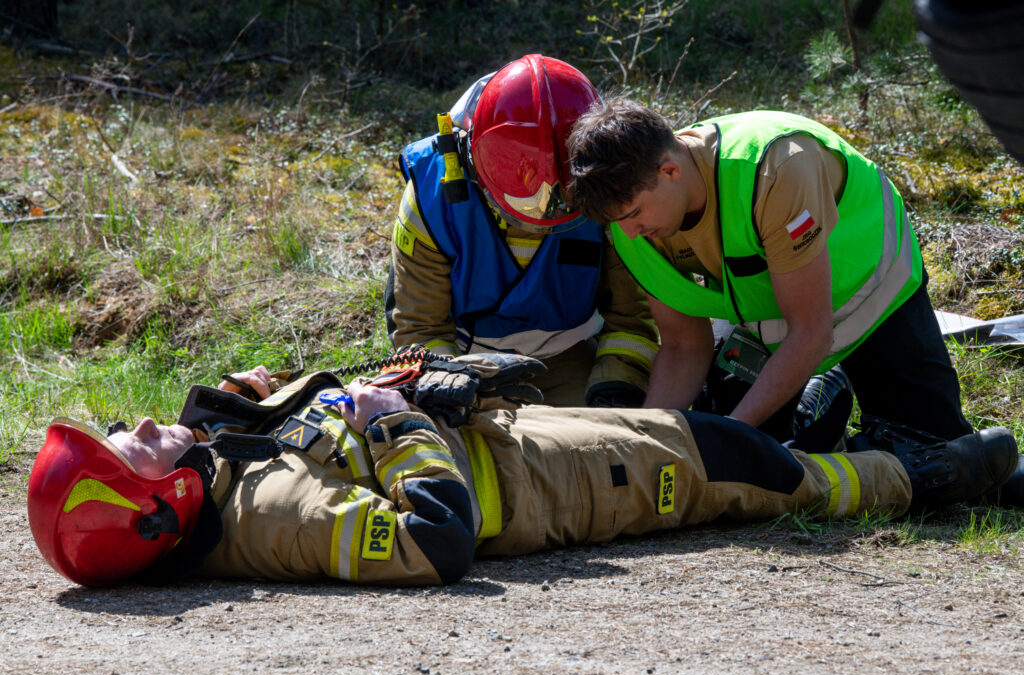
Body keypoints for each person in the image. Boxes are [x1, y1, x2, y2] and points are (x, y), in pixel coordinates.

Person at [27, 354, 1017, 588]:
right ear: (159, 503)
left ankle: (843, 449)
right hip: (554, 490)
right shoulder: (275, 512)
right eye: (134, 445)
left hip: (518, 442)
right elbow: (434, 537)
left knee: (711, 431)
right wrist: (402, 421)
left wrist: (250, 400)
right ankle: (921, 480)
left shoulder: (231, 472)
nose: (147, 420)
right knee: (738, 457)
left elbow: (317, 427)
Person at [565, 98, 975, 451]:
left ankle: (836, 390)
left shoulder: (776, 168)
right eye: (620, 222)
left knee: (934, 450)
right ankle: (819, 398)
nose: (631, 232)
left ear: (670, 171)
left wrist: (734, 434)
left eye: (635, 213)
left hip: (871, 296)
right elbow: (681, 345)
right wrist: (647, 441)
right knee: (742, 444)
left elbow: (811, 333)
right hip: (770, 316)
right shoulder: (629, 222)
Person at [385, 54, 659, 408]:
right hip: (465, 367)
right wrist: (443, 379)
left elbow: (632, 319)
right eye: (522, 202)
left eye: (563, 202)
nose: (536, 222)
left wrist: (616, 389)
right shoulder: (431, 197)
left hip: (571, 354)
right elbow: (421, 328)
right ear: (475, 164)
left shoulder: (611, 189)